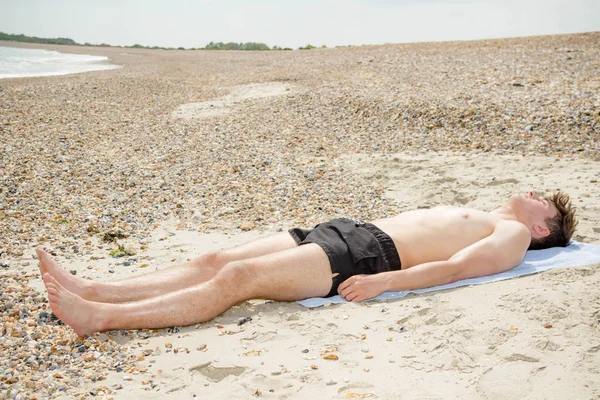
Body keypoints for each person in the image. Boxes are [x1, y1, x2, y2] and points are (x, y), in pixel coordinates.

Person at [38, 191, 577, 337]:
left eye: (545, 204)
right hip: (351, 231)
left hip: (368, 254)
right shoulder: (490, 211)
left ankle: (101, 318)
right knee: (215, 257)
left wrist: (385, 280)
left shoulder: (510, 236)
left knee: (237, 279)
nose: (535, 194)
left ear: (540, 229)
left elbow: (459, 268)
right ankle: (99, 289)